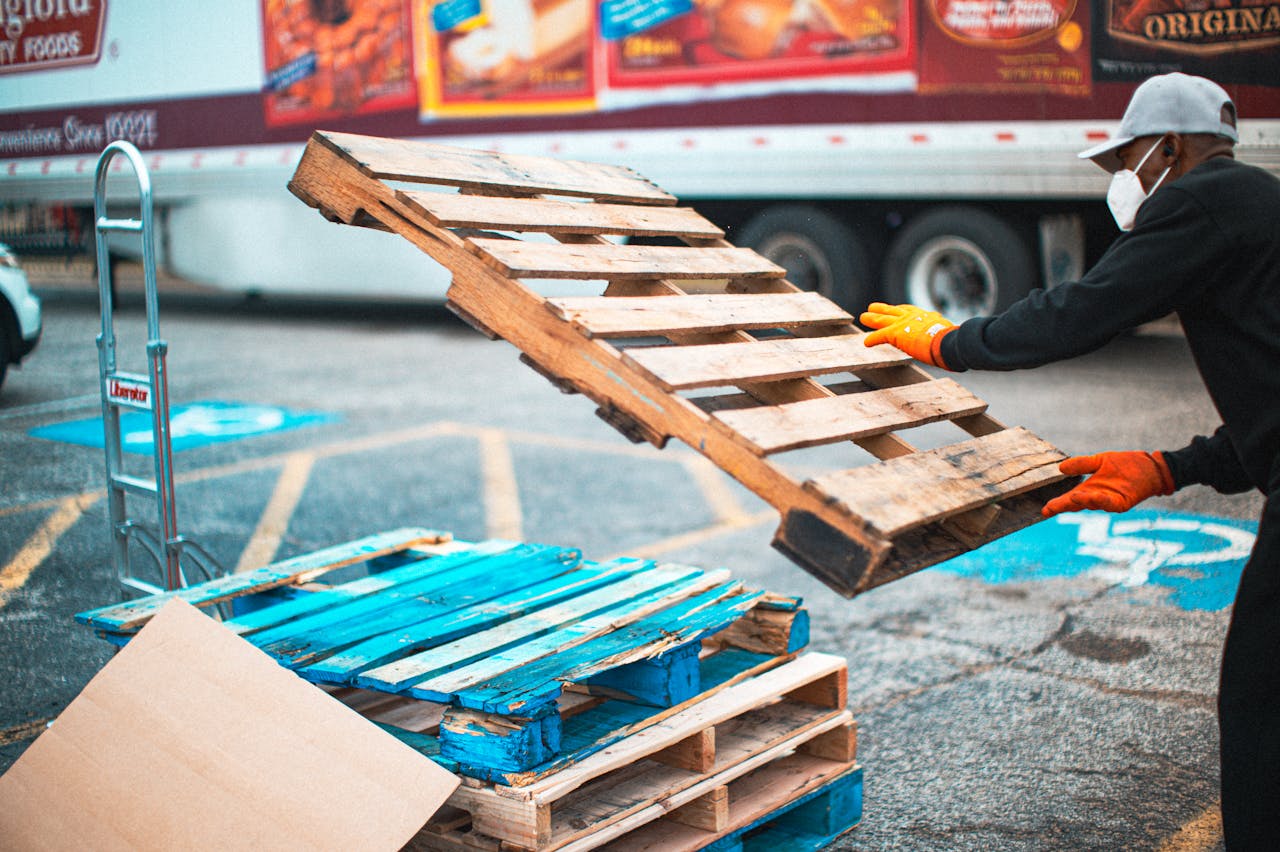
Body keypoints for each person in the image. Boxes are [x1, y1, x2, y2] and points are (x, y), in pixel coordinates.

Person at [859, 72, 1280, 849]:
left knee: (1262, 700)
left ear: (1171, 149)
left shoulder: (1200, 200)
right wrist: (1170, 466)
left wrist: (951, 341)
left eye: (1128, 161)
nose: (1125, 181)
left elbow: (1081, 313)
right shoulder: (1258, 204)